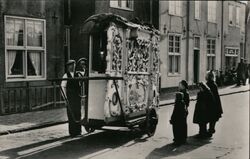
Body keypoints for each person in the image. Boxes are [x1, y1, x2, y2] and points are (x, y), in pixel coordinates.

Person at [61, 60, 82, 137]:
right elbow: (63, 87)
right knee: (71, 114)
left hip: (77, 97)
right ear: (68, 67)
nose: (72, 67)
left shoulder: (78, 74)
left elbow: (81, 84)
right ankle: (72, 132)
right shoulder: (66, 75)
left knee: (78, 113)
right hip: (70, 98)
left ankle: (78, 131)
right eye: (70, 65)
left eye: (73, 65)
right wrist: (65, 99)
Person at [206, 70, 223, 137]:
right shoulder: (214, 84)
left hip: (209, 104)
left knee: (209, 117)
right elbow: (216, 96)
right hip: (215, 104)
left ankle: (209, 130)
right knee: (213, 118)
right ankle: (211, 129)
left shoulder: (207, 84)